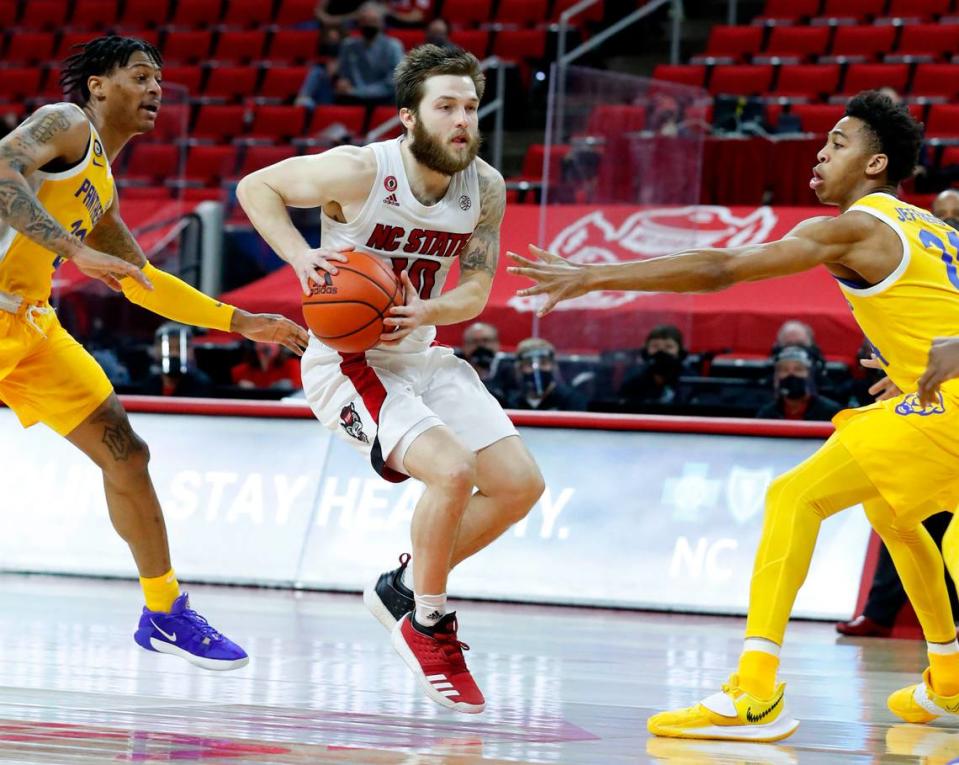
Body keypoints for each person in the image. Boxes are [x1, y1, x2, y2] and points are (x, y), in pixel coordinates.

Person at [509, 90, 959, 740]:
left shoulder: (853, 227)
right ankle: (946, 677)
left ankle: (754, 691)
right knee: (891, 510)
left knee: (792, 497)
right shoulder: (936, 230)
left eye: (837, 141)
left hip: (946, 412)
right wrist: (914, 361)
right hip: (936, 405)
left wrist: (591, 275)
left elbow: (721, 267)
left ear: (874, 164)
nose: (820, 150)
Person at [236, 44, 545, 714]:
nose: (463, 119)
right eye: (446, 106)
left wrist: (427, 310)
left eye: (470, 106)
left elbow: (475, 292)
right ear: (409, 118)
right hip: (347, 360)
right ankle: (426, 619)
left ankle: (402, 585)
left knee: (521, 484)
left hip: (421, 350)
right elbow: (254, 186)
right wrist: (301, 257)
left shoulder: (484, 187)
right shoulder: (359, 170)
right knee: (452, 470)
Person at [0, 36, 309, 671]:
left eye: (160, 80)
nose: (154, 90)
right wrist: (76, 250)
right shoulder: (65, 123)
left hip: (30, 327)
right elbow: (1, 166)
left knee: (128, 453)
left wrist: (240, 320)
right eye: (140, 76)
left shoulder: (100, 187)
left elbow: (142, 279)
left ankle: (164, 611)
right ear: (97, 86)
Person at [335, 3, 404, 106]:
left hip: (384, 100)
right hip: (353, 100)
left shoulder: (393, 46)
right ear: (359, 23)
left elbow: (393, 82)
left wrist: (360, 92)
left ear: (381, 23)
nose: (369, 25)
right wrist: (343, 82)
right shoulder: (348, 46)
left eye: (373, 21)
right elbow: (344, 74)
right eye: (364, 21)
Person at [756, 345, 842, 421]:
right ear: (776, 377)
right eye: (784, 370)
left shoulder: (832, 413)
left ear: (809, 375)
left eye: (798, 369)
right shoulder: (766, 415)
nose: (791, 374)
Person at [619, 324, 691, 407]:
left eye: (668, 347)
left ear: (680, 352)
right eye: (655, 346)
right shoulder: (633, 377)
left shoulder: (690, 378)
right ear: (646, 351)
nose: (661, 351)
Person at [506, 337, 587, 411]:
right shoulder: (511, 403)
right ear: (520, 368)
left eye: (543, 363)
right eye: (530, 364)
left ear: (553, 366)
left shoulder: (571, 401)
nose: (537, 369)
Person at [140, 323, 215, 397]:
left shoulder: (201, 384)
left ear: (191, 351)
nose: (174, 354)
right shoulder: (149, 382)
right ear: (156, 350)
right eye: (168, 348)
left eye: (180, 349)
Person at [460, 320, 511, 404]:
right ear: (465, 346)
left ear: (497, 343)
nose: (481, 346)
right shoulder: (456, 369)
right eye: (474, 341)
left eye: (486, 340)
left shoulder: (509, 369)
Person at [231, 340, 303, 390]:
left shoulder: (292, 365)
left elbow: (298, 385)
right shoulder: (242, 370)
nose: (266, 344)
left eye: (272, 340)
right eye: (261, 339)